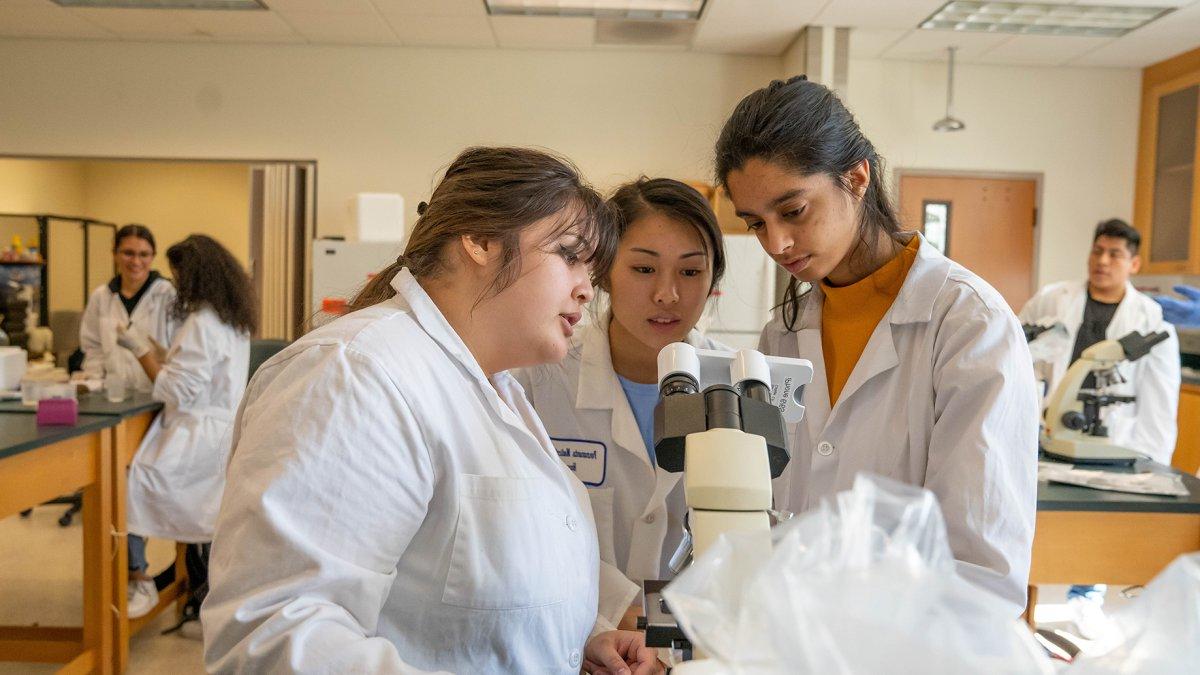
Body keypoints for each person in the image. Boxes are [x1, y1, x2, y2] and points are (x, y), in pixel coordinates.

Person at [202, 147, 660, 675]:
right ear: (481, 239)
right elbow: (275, 638)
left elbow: (463, 593)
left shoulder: (495, 388)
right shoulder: (355, 376)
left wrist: (579, 640)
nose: (587, 286)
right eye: (570, 254)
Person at [714, 76, 1038, 614]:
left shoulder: (967, 324)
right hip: (796, 635)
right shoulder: (786, 332)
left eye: (792, 211)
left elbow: (981, 569)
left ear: (857, 176)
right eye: (756, 224)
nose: (777, 243)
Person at [514, 177, 728, 623]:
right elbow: (525, 534)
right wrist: (617, 616)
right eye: (644, 269)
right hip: (576, 637)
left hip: (696, 642)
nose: (667, 294)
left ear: (712, 281)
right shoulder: (540, 378)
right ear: (604, 271)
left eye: (690, 272)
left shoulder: (737, 388)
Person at [1019, 219, 1180, 639]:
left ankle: (1084, 598)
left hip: (1111, 434)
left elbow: (1160, 400)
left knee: (1098, 522)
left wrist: (1152, 463)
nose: (1102, 261)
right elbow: (1016, 348)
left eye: (1115, 255)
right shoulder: (1054, 298)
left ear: (1134, 263)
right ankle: (1023, 601)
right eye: (1097, 251)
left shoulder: (1151, 321)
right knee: (1036, 518)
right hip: (1047, 423)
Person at [116, 234, 254, 620]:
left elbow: (179, 391)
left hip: (194, 441)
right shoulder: (230, 319)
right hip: (218, 436)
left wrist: (140, 351)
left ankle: (138, 579)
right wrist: (157, 350)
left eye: (180, 276)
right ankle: (181, 584)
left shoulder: (202, 323)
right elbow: (195, 370)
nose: (177, 284)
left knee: (124, 487)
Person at [78, 224, 178, 389]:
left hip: (157, 394)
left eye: (144, 254)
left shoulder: (168, 295)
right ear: (114, 254)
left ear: (153, 256)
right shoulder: (101, 297)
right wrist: (93, 385)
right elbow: (93, 348)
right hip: (114, 393)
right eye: (128, 253)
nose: (136, 261)